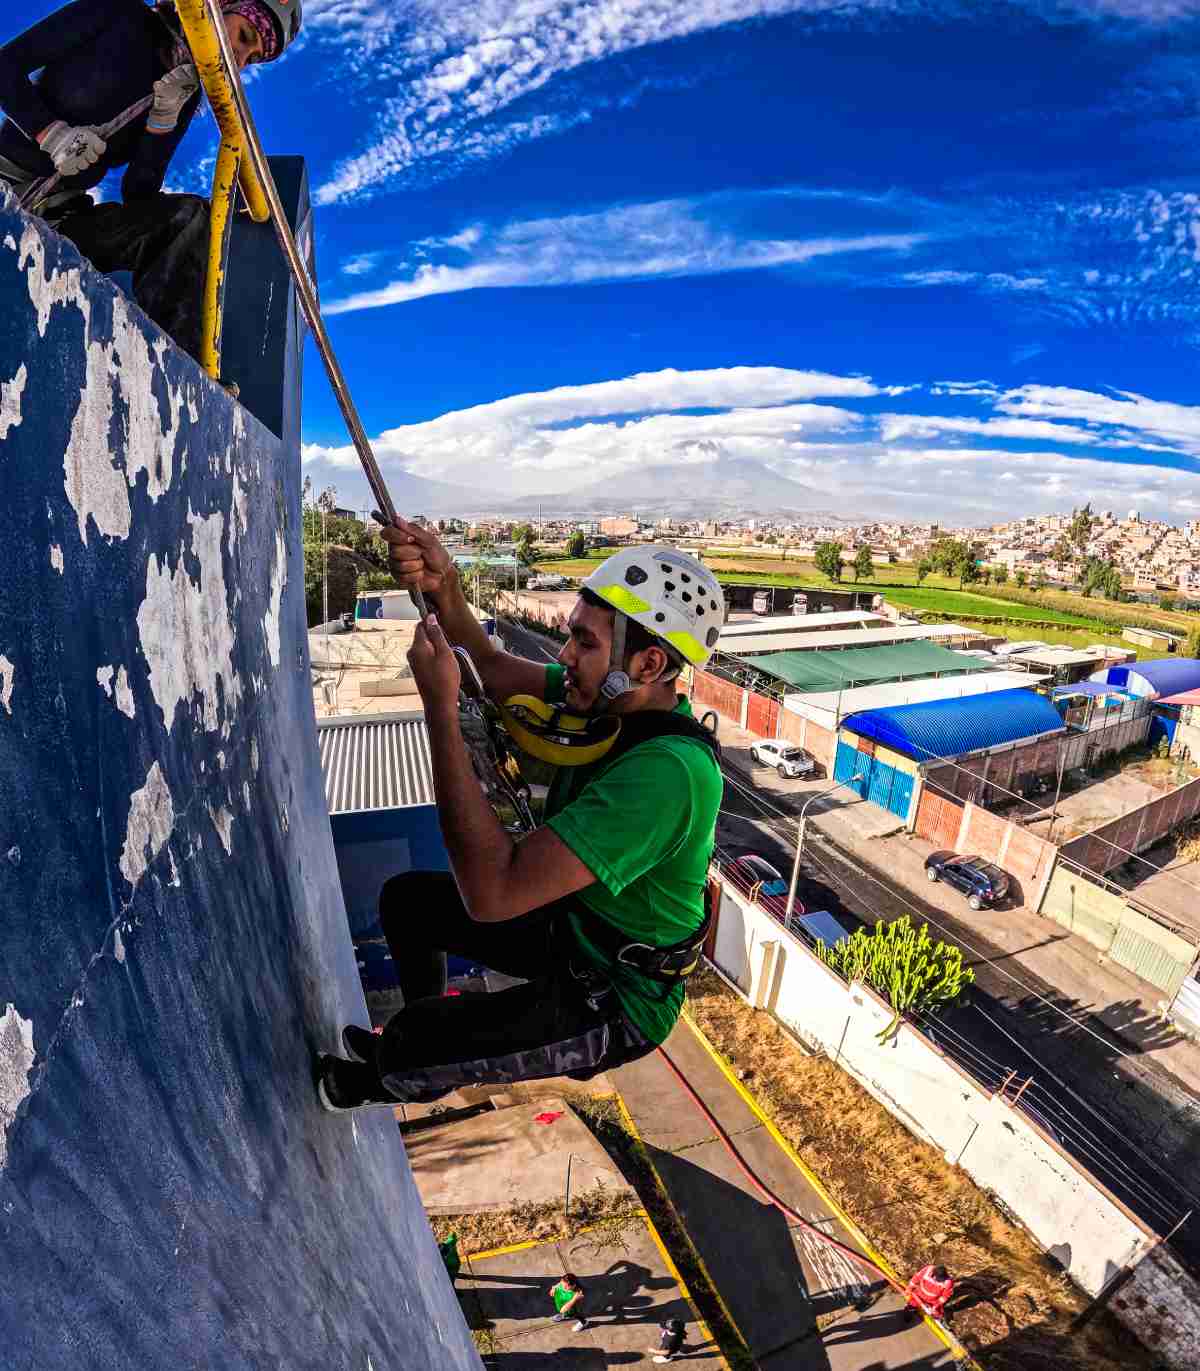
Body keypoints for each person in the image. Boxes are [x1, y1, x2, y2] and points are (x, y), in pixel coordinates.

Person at [316, 520, 725, 1112]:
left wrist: (440, 711)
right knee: (408, 904)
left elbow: (494, 892)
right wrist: (444, 586)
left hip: (616, 994)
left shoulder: (667, 773)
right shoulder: (608, 703)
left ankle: (382, 1073)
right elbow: (486, 667)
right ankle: (416, 1046)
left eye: (585, 643)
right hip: (578, 931)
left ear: (648, 664)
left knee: (417, 1044)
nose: (566, 656)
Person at [0, 0, 301, 362]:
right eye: (244, 36)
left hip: (58, 218)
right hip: (8, 185)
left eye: (250, 60)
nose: (239, 60)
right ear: (219, 5)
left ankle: (173, 375)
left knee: (188, 218)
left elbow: (138, 192)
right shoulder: (116, 13)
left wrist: (163, 120)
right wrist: (49, 133)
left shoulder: (183, 91)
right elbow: (5, 64)